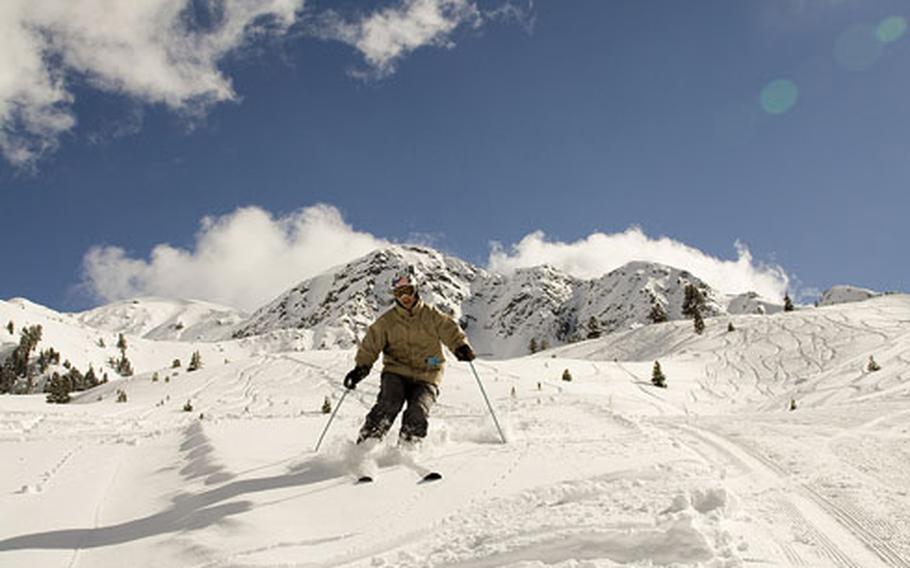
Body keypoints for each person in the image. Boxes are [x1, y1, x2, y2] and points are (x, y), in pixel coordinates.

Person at [343, 270, 476, 448]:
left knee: (418, 410)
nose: (405, 297)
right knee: (389, 403)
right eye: (399, 293)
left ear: (416, 291)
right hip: (396, 370)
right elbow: (371, 344)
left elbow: (449, 329)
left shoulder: (431, 315)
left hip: (428, 371)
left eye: (408, 291)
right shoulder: (387, 322)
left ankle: (409, 447)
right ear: (394, 295)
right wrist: (361, 368)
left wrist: (461, 346)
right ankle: (366, 444)